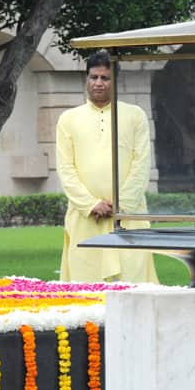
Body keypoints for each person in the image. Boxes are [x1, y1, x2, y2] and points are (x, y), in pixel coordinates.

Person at [56, 50, 157, 283]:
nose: (98, 83)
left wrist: (120, 206)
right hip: (87, 218)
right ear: (86, 79)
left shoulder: (135, 116)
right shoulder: (68, 119)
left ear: (115, 80)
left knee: (133, 283)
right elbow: (66, 169)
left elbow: (141, 165)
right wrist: (91, 205)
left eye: (105, 78)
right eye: (93, 77)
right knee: (86, 286)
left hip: (128, 217)